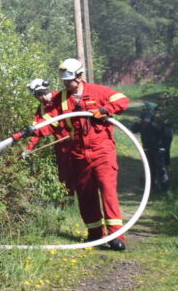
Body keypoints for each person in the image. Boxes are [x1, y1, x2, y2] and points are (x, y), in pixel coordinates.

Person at [52, 58, 130, 250]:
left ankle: (116, 236)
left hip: (103, 151)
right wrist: (32, 130)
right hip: (78, 154)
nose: (66, 84)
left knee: (108, 191)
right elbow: (48, 119)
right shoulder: (61, 99)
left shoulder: (98, 92)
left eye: (69, 81)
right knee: (86, 195)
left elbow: (123, 101)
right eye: (64, 81)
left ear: (79, 77)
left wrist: (105, 110)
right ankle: (95, 233)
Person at [20, 78, 75, 195]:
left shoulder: (62, 99)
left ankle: (85, 196)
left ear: (40, 93)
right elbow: (35, 131)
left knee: (81, 170)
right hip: (62, 145)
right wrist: (27, 149)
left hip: (76, 141)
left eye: (36, 95)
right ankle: (68, 200)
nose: (36, 98)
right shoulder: (41, 109)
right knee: (65, 174)